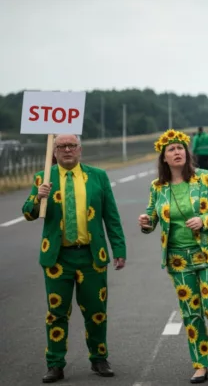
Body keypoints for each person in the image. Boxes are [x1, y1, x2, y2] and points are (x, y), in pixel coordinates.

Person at [139, 129, 208, 383]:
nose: (177, 153)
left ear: (187, 152)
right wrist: (145, 222)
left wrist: (205, 219)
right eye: (171, 150)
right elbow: (152, 219)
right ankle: (200, 363)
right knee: (191, 313)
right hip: (178, 259)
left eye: (180, 148)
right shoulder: (157, 187)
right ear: (163, 158)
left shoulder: (204, 178)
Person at [22, 134, 127, 383]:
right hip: (58, 258)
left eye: (72, 146)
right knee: (56, 312)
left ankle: (99, 358)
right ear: (54, 152)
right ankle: (55, 363)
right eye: (61, 146)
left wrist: (119, 249)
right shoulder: (43, 177)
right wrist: (38, 196)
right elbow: (28, 213)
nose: (67, 150)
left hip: (92, 256)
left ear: (80, 150)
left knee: (96, 311)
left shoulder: (98, 176)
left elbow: (111, 216)